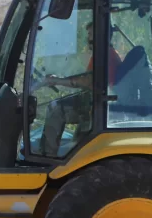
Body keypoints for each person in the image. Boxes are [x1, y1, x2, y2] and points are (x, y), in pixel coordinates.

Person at [39, 22, 122, 157]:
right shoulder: (105, 54)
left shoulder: (105, 55)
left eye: (90, 34)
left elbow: (87, 82)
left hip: (100, 106)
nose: (87, 38)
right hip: (96, 101)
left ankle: (46, 155)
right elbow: (87, 80)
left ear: (100, 35)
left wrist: (57, 81)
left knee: (54, 108)